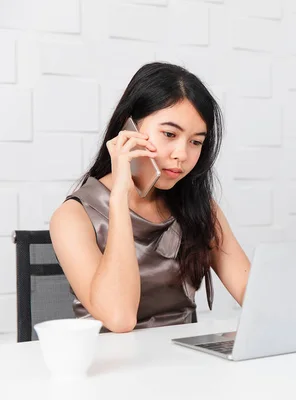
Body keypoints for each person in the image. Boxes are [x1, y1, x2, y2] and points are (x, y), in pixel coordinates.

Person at [49, 62, 251, 333]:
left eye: (196, 142)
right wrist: (119, 196)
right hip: (112, 367)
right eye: (169, 134)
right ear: (128, 128)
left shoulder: (199, 208)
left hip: (186, 364)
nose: (182, 154)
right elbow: (120, 318)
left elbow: (253, 295)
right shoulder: (73, 216)